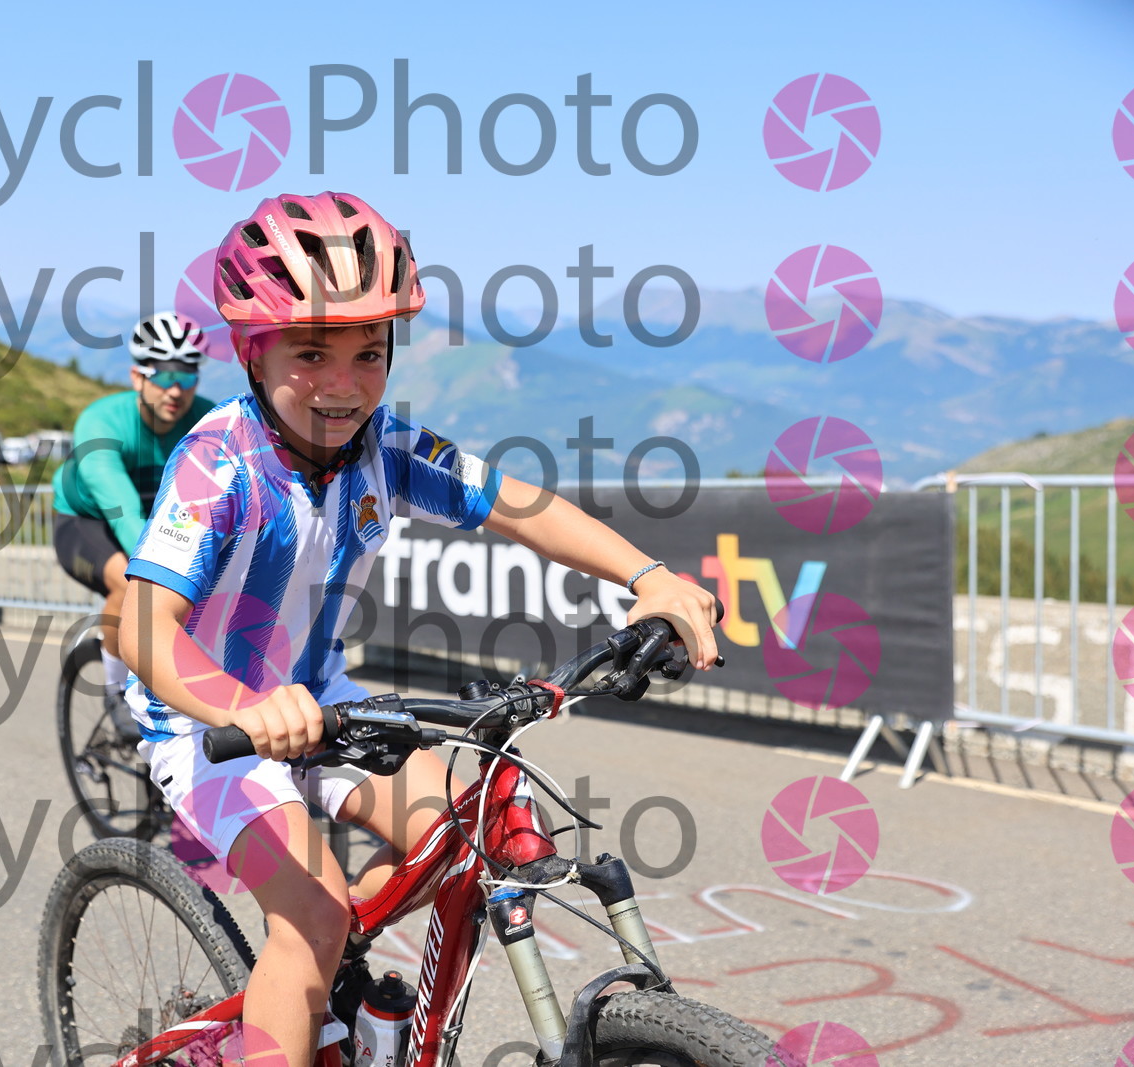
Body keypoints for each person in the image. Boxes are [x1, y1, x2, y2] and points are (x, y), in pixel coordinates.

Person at [120, 191, 720, 1067]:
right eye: (311, 352)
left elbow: (518, 505)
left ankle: (331, 997)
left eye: (369, 352)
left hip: (323, 697)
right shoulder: (218, 463)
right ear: (252, 351)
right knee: (312, 916)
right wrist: (240, 707)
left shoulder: (385, 446)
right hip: (208, 720)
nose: (344, 383)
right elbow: (142, 624)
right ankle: (306, 972)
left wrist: (649, 575)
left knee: (458, 839)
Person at [52, 311, 215, 738]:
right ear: (137, 377)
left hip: (156, 516)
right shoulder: (102, 423)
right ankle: (115, 694)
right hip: (89, 520)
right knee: (131, 587)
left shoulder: (208, 420)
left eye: (187, 375)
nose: (176, 389)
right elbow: (121, 509)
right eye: (163, 376)